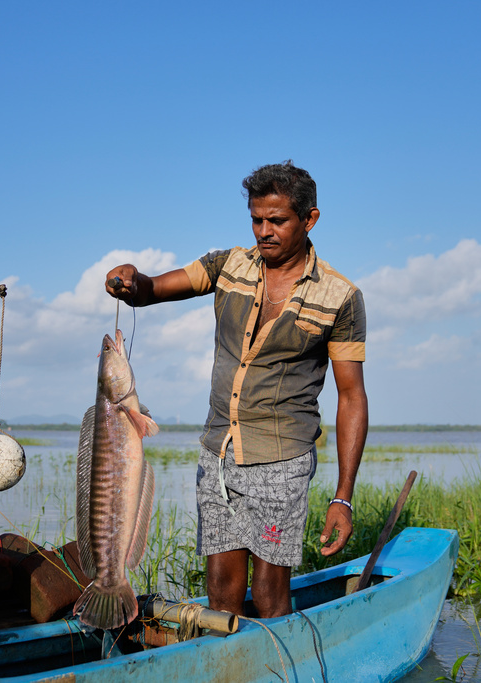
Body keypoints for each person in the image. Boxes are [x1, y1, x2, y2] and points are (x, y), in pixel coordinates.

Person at [104, 161, 368, 618]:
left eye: (278, 221)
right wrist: (130, 280)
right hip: (218, 456)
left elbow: (351, 397)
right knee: (221, 591)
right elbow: (152, 289)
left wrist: (342, 497)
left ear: (310, 219)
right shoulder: (227, 267)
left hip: (282, 459)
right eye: (256, 219)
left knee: (269, 593)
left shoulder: (340, 297)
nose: (264, 231)